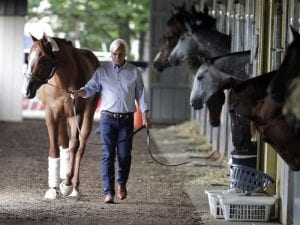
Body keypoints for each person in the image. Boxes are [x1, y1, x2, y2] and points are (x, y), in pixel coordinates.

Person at [72, 39, 151, 203]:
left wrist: (145, 113)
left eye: (120, 54)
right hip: (107, 119)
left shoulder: (134, 72)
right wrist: (80, 92)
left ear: (125, 54)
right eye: (114, 54)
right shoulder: (102, 71)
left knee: (124, 156)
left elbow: (141, 94)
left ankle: (121, 183)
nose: (117, 57)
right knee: (107, 155)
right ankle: (108, 192)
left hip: (126, 120)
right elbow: (91, 87)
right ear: (111, 54)